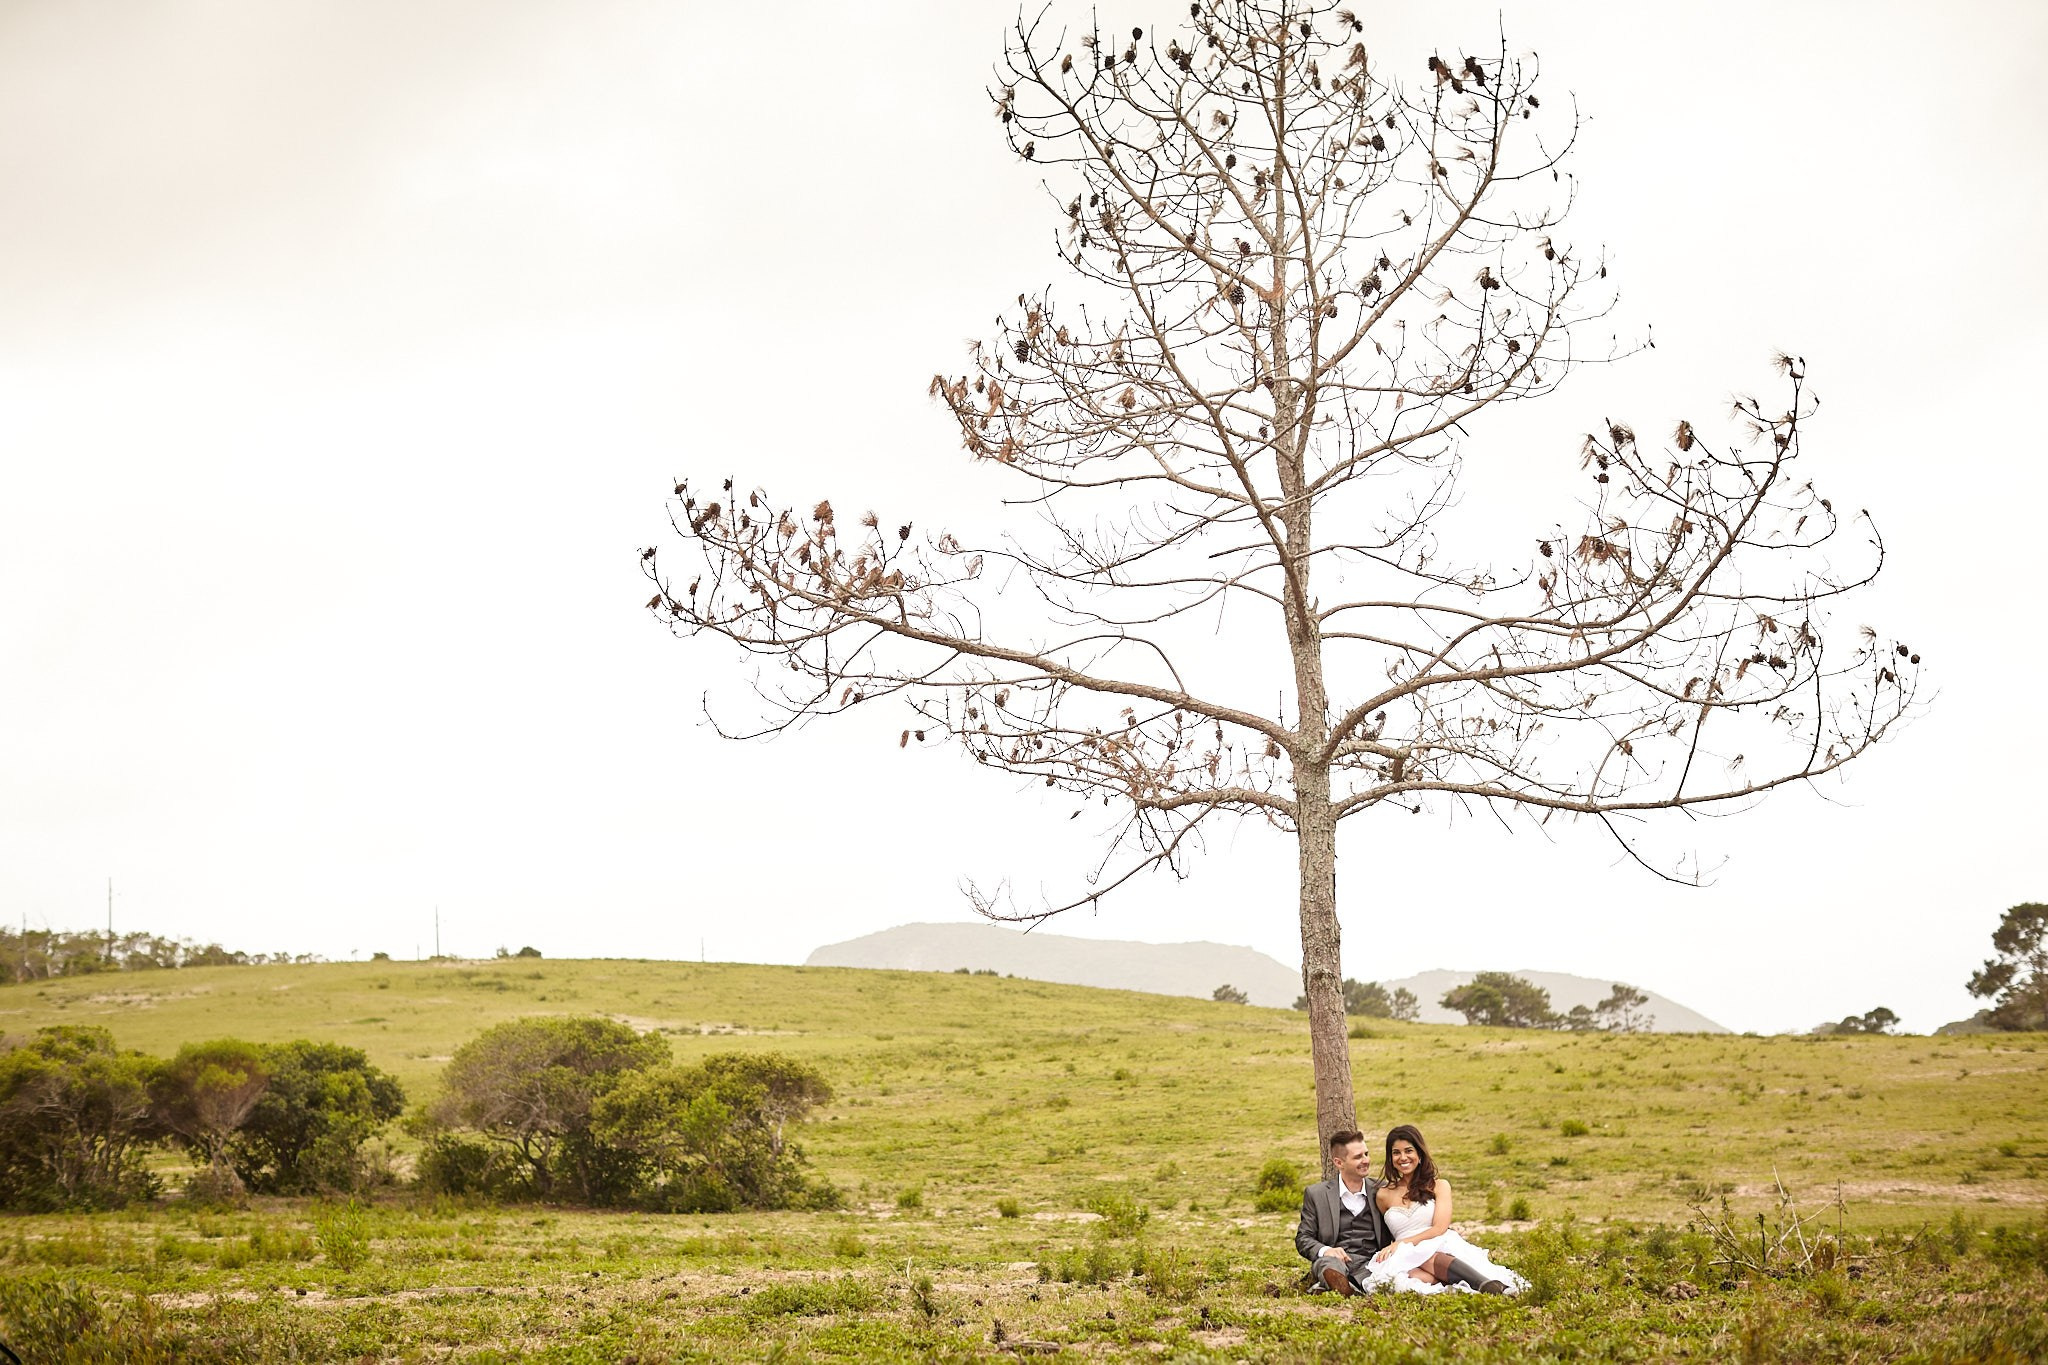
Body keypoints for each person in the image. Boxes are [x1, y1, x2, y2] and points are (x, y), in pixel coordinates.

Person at [1364, 1124, 1525, 1294]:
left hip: (1437, 1244)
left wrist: (1402, 1244)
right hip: (1404, 1256)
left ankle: (1486, 1285)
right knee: (1406, 1276)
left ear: (1419, 1154)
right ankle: (1457, 1283)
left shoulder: (1439, 1186)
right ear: (1390, 1158)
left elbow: (1439, 1228)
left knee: (1425, 1254)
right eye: (1396, 1152)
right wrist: (1397, 1249)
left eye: (1409, 1151)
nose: (1403, 1157)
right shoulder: (1383, 1195)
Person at [1294, 1128, 1390, 1295]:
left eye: (1366, 1154)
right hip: (1335, 1262)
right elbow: (1303, 1238)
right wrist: (1326, 1250)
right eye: (1358, 1157)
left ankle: (1341, 1288)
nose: (1366, 1160)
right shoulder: (1317, 1194)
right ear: (1339, 1163)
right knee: (1328, 1265)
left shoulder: (1382, 1190)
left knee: (1379, 1275)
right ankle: (1345, 1286)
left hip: (1372, 1263)